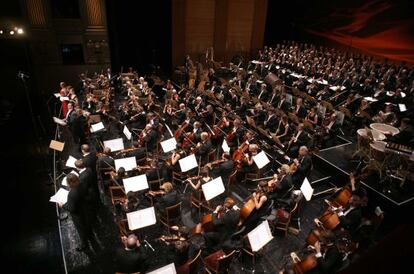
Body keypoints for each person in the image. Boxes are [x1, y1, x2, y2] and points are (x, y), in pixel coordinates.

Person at [60, 173, 91, 251]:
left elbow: (72, 209)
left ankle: (84, 245)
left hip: (78, 215)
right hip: (85, 208)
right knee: (87, 223)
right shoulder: (83, 184)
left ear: (70, 183)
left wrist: (63, 206)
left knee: (81, 229)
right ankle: (89, 234)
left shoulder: (72, 194)